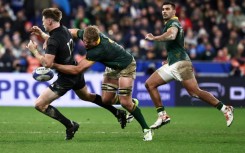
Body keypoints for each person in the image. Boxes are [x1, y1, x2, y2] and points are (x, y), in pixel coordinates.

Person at [26, 8, 127, 140]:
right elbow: (57, 42)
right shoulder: (64, 30)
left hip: (67, 76)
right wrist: (42, 34)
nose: (43, 23)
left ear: (50, 21)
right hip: (74, 70)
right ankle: (117, 112)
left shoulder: (53, 40)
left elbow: (47, 64)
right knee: (87, 96)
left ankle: (70, 125)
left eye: (43, 21)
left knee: (39, 104)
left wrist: (34, 51)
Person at [52, 25, 153, 141]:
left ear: (95, 42)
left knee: (125, 103)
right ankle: (132, 101)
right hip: (112, 67)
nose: (85, 44)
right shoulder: (89, 34)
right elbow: (71, 32)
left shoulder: (98, 50)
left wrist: (54, 65)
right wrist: (52, 39)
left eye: (88, 42)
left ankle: (146, 129)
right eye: (84, 41)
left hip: (126, 66)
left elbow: (77, 69)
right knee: (106, 100)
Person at [144, 1, 234, 129]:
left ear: (174, 11)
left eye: (167, 9)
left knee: (195, 92)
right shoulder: (170, 24)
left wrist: (154, 38)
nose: (164, 11)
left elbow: (171, 35)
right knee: (150, 84)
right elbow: (179, 45)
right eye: (163, 9)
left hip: (181, 64)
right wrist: (169, 59)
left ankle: (225, 108)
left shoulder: (173, 23)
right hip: (173, 63)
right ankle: (162, 115)